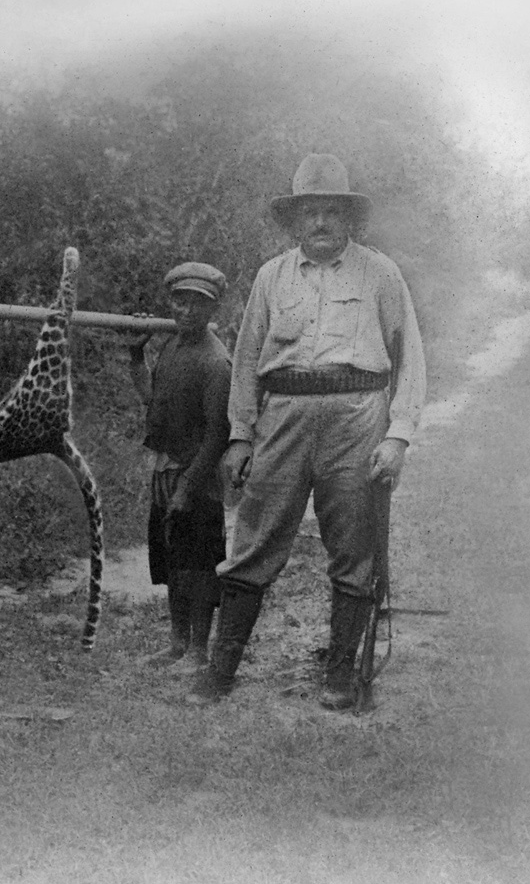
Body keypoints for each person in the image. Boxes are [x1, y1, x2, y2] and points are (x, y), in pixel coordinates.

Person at [191, 154, 426, 710]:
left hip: (357, 417)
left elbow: (410, 358)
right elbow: (247, 359)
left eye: (331, 212)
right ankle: (220, 672)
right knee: (254, 540)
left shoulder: (380, 273)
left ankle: (340, 675)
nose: (320, 223)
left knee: (354, 546)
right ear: (294, 221)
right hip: (284, 415)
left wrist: (397, 436)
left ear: (348, 218)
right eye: (309, 213)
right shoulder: (271, 277)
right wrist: (241, 435)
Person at [129, 262, 232, 669]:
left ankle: (199, 650)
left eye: (197, 304)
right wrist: (136, 354)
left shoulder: (216, 362)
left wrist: (187, 489)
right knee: (173, 562)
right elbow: (151, 398)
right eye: (179, 301)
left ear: (212, 309)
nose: (186, 311)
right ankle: (177, 643)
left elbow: (218, 435)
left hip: (198, 479)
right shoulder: (172, 346)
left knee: (200, 566)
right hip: (167, 473)